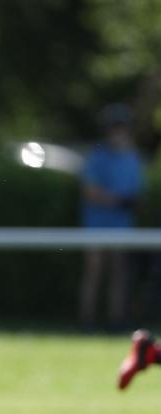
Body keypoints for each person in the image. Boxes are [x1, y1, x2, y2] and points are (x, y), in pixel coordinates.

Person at [78, 103, 144, 331]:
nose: (117, 133)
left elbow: (135, 194)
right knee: (94, 271)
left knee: (119, 272)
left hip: (121, 224)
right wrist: (118, 201)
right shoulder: (97, 156)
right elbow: (90, 191)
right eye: (114, 128)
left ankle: (116, 321)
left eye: (121, 128)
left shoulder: (133, 158)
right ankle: (86, 321)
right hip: (96, 223)